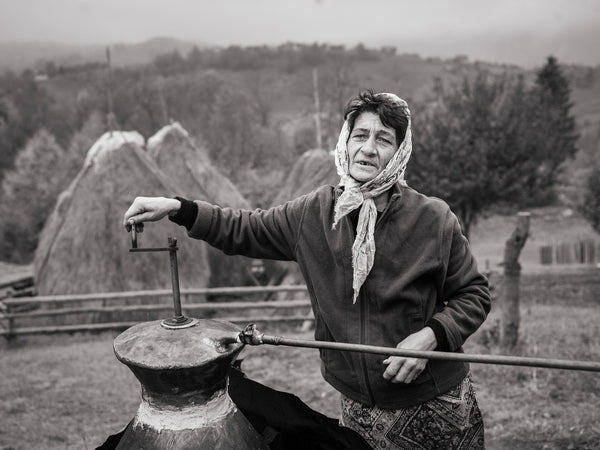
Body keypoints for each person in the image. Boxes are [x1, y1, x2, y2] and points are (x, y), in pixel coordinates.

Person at [123, 91, 491, 449]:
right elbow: (244, 228)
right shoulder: (314, 214)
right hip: (359, 410)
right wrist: (177, 207)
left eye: (384, 139)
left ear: (400, 152)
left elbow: (473, 294)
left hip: (438, 403)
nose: (368, 148)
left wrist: (432, 337)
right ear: (346, 142)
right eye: (360, 135)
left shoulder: (433, 218)